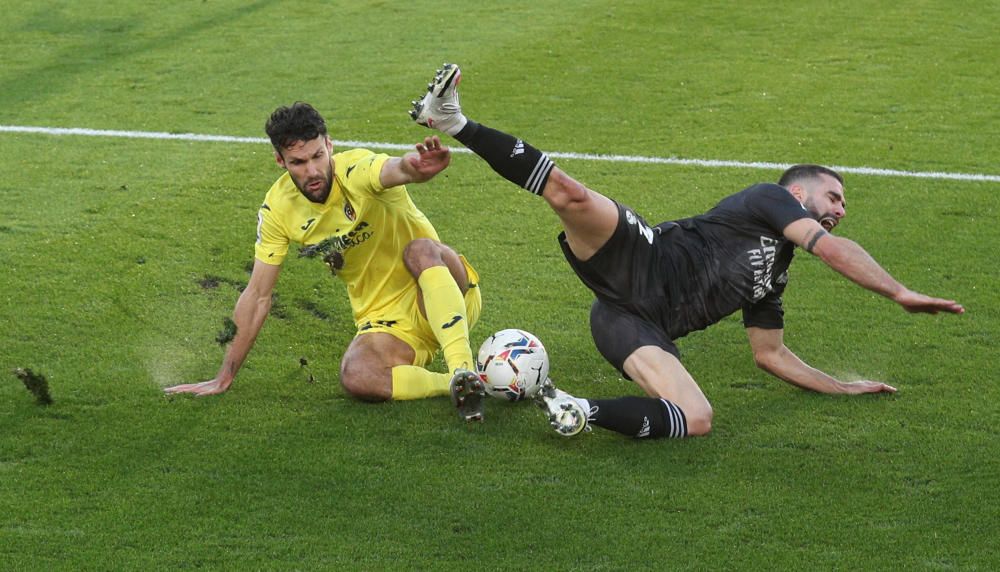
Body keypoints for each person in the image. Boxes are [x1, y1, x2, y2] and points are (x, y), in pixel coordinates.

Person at [410, 64, 965, 438]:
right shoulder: (769, 199)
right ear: (800, 192)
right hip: (643, 256)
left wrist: (843, 386)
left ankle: (576, 407)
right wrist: (897, 292)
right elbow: (830, 248)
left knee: (696, 418)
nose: (840, 209)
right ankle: (453, 119)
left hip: (629, 322)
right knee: (568, 193)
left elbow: (770, 354)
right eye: (834, 196)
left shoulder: (775, 275)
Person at [165, 102, 488, 421]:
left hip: (443, 289)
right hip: (387, 322)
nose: (313, 170)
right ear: (281, 161)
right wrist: (224, 376)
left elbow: (396, 168)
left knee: (420, 249)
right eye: (299, 162)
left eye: (318, 156)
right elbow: (258, 295)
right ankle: (459, 384)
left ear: (329, 145)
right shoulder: (278, 210)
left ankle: (463, 366)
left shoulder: (357, 169)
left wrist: (415, 169)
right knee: (357, 376)